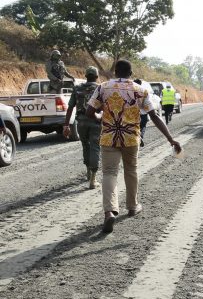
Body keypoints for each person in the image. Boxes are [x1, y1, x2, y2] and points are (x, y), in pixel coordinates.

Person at [87, 60, 181, 234]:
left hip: (109, 137)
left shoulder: (103, 87)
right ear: (131, 73)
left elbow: (89, 112)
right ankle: (132, 206)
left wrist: (102, 117)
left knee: (109, 173)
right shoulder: (141, 90)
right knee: (131, 171)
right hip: (130, 138)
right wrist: (171, 139)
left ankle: (109, 212)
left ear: (115, 72)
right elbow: (154, 116)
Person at [63, 66, 101, 189]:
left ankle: (88, 172)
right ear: (97, 76)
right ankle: (93, 179)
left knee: (86, 146)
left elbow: (70, 108)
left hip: (81, 123)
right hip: (96, 122)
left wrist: (66, 125)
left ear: (85, 76)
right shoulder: (100, 88)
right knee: (95, 147)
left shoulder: (77, 88)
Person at [133, 79, 150, 148]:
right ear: (141, 83)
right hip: (143, 114)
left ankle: (137, 138)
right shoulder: (144, 91)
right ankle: (141, 137)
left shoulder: (129, 91)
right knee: (143, 126)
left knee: (134, 127)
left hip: (133, 114)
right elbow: (147, 105)